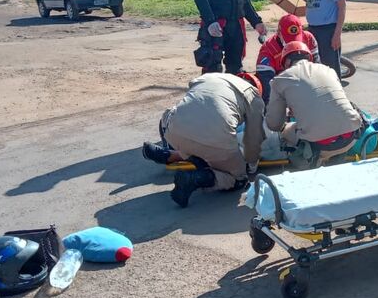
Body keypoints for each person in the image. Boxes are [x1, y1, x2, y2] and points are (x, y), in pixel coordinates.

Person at [142, 72, 265, 208]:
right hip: (216, 141)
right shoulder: (254, 97)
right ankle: (195, 178)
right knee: (238, 179)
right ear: (255, 88)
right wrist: (251, 165)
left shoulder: (209, 77)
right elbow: (254, 139)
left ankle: (168, 154)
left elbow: (197, 103)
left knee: (177, 121)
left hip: (175, 128)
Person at [265, 41, 362, 167]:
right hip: (351, 137)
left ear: (287, 62)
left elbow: (274, 125)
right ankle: (335, 159)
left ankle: (306, 163)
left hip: (319, 145)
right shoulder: (328, 70)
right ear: (309, 57)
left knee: (285, 133)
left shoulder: (279, 80)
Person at [256, 13, 319, 102]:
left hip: (305, 83)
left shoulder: (309, 38)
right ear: (278, 33)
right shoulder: (268, 49)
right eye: (289, 41)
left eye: (296, 40)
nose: (294, 45)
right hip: (280, 87)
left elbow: (317, 69)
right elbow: (267, 86)